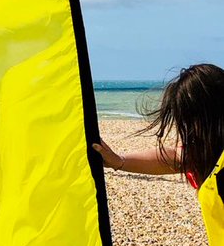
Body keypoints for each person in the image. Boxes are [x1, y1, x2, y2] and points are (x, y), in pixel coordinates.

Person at [93, 63, 224, 190]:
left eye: (191, 117)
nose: (189, 128)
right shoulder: (203, 150)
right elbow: (177, 158)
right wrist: (118, 161)